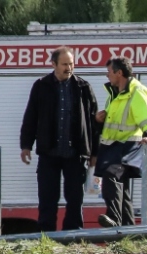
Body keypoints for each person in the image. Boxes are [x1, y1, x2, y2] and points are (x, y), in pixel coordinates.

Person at [20, 46, 100, 232]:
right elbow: (31, 116)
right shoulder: (41, 86)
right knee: (47, 198)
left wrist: (95, 152)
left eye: (71, 64)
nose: (69, 68)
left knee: (75, 199)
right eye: (64, 64)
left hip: (75, 154)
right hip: (49, 153)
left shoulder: (83, 87)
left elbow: (94, 122)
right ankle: (46, 236)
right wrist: (26, 146)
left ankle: (73, 235)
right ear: (53, 64)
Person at [95, 57, 147, 227]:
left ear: (119, 73)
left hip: (128, 149)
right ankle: (131, 233)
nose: (107, 75)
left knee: (111, 175)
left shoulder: (135, 92)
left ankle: (115, 219)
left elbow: (146, 116)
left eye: (109, 72)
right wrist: (98, 120)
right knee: (122, 191)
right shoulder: (114, 94)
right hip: (113, 148)